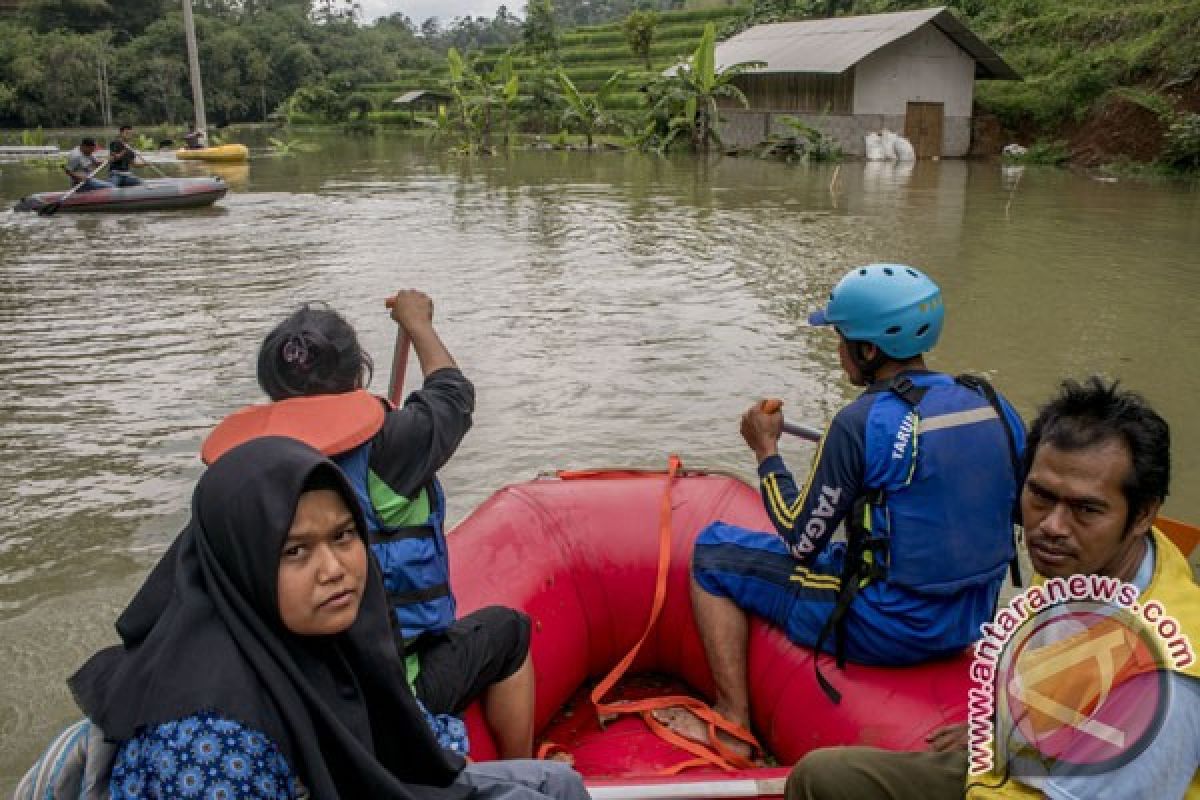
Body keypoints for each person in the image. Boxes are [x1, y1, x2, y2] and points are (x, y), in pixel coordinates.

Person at [61, 437, 588, 800]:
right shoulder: (211, 739)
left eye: (343, 536)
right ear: (244, 562)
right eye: (295, 551)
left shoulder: (325, 635)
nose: (334, 569)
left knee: (557, 786)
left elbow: (403, 736)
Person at [658, 264, 1025, 757]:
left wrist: (766, 452)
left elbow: (800, 538)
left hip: (890, 628)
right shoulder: (992, 404)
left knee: (712, 552)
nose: (838, 350)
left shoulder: (859, 423)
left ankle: (730, 721)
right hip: (973, 618)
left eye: (842, 339)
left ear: (868, 351)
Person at [786, 377, 1199, 800]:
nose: (1051, 526)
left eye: (1086, 508)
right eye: (1040, 495)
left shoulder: (1162, 685)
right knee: (820, 776)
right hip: (1022, 762)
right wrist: (1002, 725)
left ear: (1144, 514)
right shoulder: (1086, 560)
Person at [201, 292, 536, 759]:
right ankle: (521, 764)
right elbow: (452, 395)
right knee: (511, 630)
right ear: (357, 375)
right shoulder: (393, 446)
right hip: (389, 689)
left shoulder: (249, 468)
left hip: (302, 684)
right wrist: (417, 322)